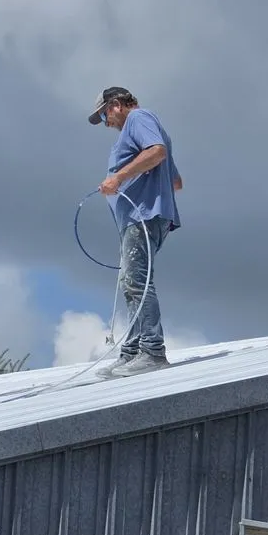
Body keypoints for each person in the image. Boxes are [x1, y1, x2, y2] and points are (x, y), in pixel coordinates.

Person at [89, 86, 184, 378]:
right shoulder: (140, 127)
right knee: (131, 283)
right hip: (142, 216)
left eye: (105, 114)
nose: (107, 122)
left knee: (136, 282)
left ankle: (152, 352)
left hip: (142, 216)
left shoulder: (139, 119)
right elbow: (175, 181)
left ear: (116, 105)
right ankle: (132, 352)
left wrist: (118, 177)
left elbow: (157, 152)